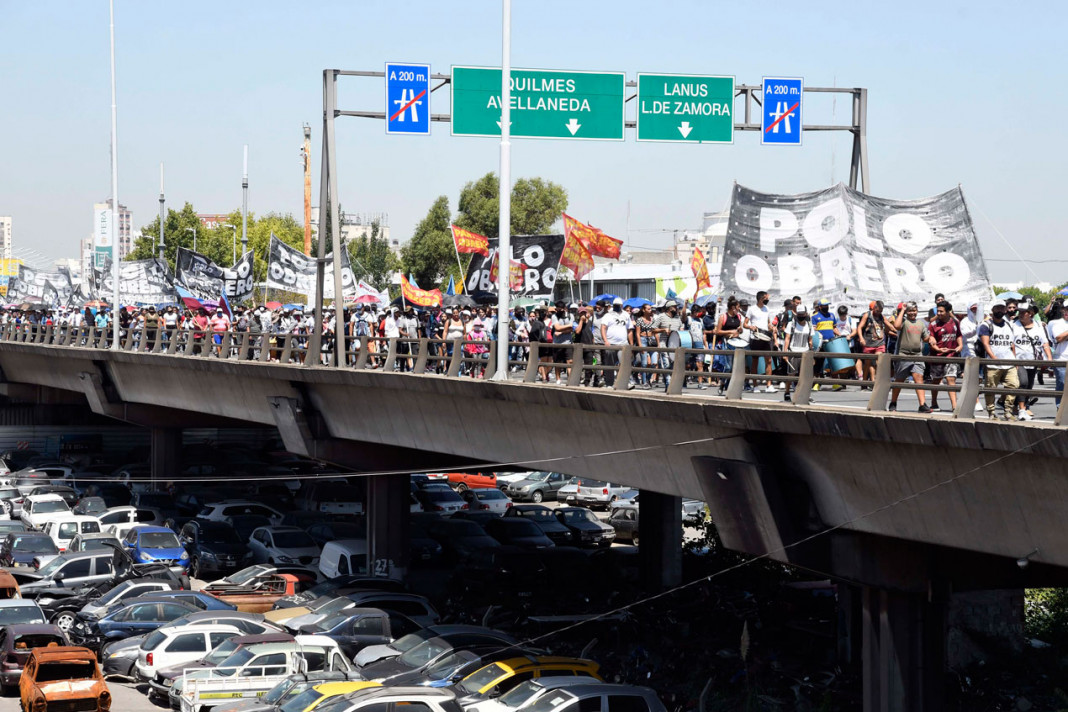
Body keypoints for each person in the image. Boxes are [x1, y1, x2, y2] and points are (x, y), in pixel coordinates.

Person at [978, 299, 1018, 420]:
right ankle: (991, 412)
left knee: (1014, 385)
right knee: (991, 388)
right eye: (997, 309)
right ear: (992, 311)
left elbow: (1012, 344)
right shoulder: (986, 325)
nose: (999, 311)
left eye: (1002, 309)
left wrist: (1015, 360)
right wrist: (994, 358)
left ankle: (1008, 411)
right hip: (993, 364)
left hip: (1009, 362)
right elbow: (986, 344)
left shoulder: (1009, 325)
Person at [888, 301, 930, 412]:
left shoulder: (920, 323)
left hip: (917, 355)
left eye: (914, 310)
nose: (912, 313)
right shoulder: (904, 321)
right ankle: (893, 402)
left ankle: (922, 404)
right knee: (899, 380)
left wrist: (931, 337)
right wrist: (902, 310)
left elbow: (926, 338)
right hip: (903, 355)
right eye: (910, 311)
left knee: (919, 378)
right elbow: (896, 326)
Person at [1012, 303, 1051, 421]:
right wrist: (1014, 360)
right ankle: (1022, 410)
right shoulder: (1014, 325)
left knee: (1029, 385)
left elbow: (1045, 343)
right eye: (1020, 312)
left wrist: (1049, 358)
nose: (1021, 314)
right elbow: (1012, 344)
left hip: (1033, 359)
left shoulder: (1038, 326)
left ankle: (1019, 406)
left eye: (1024, 312)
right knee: (1022, 382)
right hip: (1019, 360)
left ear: (1030, 313)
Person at [925, 301, 963, 412]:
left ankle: (955, 406)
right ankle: (934, 402)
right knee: (936, 381)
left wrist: (960, 345)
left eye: (942, 311)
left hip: (951, 355)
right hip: (937, 356)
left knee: (951, 379)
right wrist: (938, 349)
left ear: (948, 312)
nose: (939, 313)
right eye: (938, 311)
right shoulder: (933, 325)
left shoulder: (955, 322)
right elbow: (931, 341)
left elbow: (959, 335)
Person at [742, 291, 777, 392]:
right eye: (766, 298)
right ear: (761, 298)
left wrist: (772, 328)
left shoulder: (767, 309)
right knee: (755, 361)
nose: (767, 300)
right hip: (755, 337)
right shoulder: (752, 309)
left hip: (766, 337)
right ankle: (755, 385)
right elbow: (745, 324)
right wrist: (750, 327)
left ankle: (769, 385)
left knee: (769, 360)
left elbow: (768, 323)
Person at [781, 304, 814, 402]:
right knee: (791, 374)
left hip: (805, 352)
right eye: (799, 314)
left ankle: (804, 394)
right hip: (794, 351)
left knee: (804, 375)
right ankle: (787, 392)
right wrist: (785, 352)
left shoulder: (809, 325)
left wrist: (812, 354)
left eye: (802, 314)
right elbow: (787, 339)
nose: (801, 316)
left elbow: (810, 341)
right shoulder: (792, 324)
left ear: (806, 314)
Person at [600, 297, 631, 389]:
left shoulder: (626, 315)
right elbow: (603, 328)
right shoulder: (608, 315)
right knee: (610, 364)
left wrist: (631, 344)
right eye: (615, 305)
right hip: (611, 343)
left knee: (624, 363)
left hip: (623, 344)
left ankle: (623, 382)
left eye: (619, 305)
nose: (617, 307)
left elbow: (630, 330)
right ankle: (609, 383)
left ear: (622, 306)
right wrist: (605, 341)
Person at [856, 301, 888, 385]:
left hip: (879, 343)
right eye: (877, 311)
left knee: (878, 362)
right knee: (867, 364)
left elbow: (889, 325)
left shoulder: (881, 316)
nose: (878, 313)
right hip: (868, 343)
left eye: (880, 311)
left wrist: (897, 330)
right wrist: (861, 338)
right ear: (874, 308)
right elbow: (859, 327)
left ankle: (874, 382)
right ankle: (865, 382)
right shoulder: (867, 315)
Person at [810, 299, 837, 390]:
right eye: (824, 306)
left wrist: (841, 336)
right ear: (820, 307)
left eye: (827, 305)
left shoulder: (832, 315)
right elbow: (814, 331)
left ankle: (835, 383)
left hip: (831, 342)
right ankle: (816, 383)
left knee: (833, 363)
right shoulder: (814, 317)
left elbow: (834, 328)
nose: (826, 307)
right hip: (821, 343)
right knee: (818, 364)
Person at [1045, 302, 1068, 409]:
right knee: (1062, 385)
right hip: (1061, 359)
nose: (1067, 311)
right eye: (1065, 309)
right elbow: (1058, 338)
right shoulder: (1057, 323)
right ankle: (1060, 409)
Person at [550, 301, 575, 385]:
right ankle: (558, 379)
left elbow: (572, 329)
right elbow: (557, 328)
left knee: (570, 361)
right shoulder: (554, 316)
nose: (559, 311)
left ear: (564, 308)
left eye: (560, 309)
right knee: (558, 362)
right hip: (557, 343)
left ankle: (570, 378)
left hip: (568, 342)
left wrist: (561, 331)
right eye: (557, 309)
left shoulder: (570, 315)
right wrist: (567, 327)